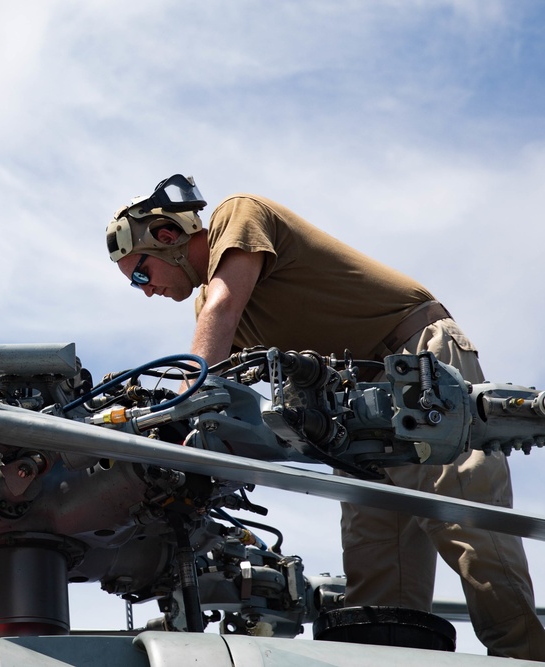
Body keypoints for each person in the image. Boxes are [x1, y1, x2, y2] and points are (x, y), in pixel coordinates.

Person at [104, 174, 545, 659]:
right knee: (375, 560)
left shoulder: (238, 214)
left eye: (141, 275)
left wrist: (182, 407)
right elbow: (223, 398)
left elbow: (218, 324)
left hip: (416, 363)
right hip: (350, 407)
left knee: (466, 524)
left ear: (167, 237)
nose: (145, 292)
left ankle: (526, 655)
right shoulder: (212, 312)